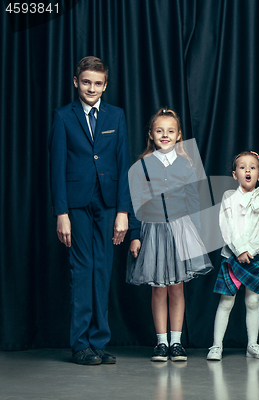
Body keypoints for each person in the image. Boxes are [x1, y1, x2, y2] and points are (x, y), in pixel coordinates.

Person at [48, 56, 130, 365]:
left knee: (102, 270)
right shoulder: (63, 117)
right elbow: (56, 168)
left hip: (108, 203)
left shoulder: (116, 116)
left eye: (97, 83)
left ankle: (98, 342)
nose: (91, 88)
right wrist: (61, 213)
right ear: (75, 82)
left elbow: (123, 165)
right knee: (82, 271)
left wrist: (123, 211)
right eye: (86, 82)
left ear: (105, 85)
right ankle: (80, 344)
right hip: (76, 204)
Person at [128, 108, 212, 362]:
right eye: (159, 131)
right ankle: (161, 343)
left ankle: (176, 343)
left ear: (178, 136)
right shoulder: (142, 165)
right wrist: (135, 235)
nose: (165, 135)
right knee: (158, 288)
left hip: (180, 232)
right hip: (152, 231)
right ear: (152, 135)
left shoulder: (186, 165)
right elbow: (135, 202)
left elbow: (195, 202)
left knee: (177, 288)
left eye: (170, 131)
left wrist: (195, 238)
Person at [206, 151, 259, 361]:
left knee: (253, 302)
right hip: (232, 257)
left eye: (252, 167)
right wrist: (240, 250)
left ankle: (252, 345)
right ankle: (216, 345)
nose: (248, 170)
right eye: (242, 167)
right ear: (235, 174)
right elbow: (225, 226)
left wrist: (250, 251)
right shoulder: (229, 197)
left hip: (255, 258)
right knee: (226, 302)